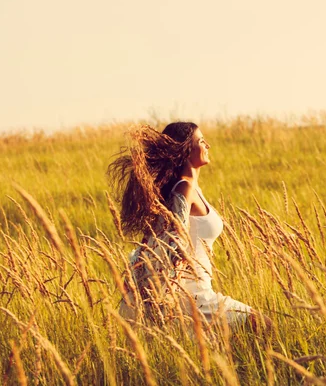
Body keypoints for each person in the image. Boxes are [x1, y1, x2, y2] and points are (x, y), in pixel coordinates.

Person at [107, 122, 270, 331]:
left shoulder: (192, 188)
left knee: (237, 343)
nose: (208, 145)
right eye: (201, 141)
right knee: (263, 324)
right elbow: (174, 238)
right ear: (186, 149)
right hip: (191, 295)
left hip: (200, 288)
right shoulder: (183, 188)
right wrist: (164, 289)